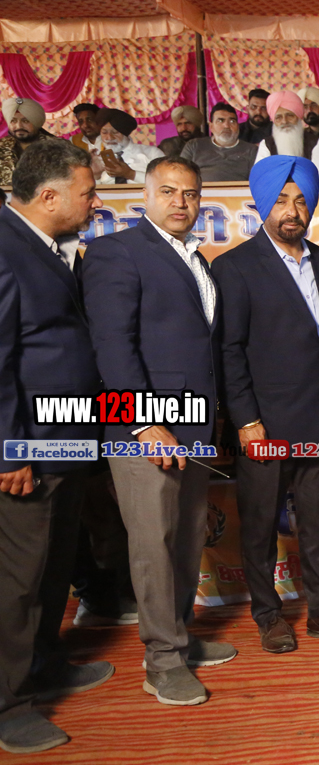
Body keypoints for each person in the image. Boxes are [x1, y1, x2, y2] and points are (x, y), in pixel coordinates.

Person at [83, 156, 235, 707]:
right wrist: (143, 422)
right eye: (168, 192)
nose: (180, 202)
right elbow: (112, 346)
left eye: (190, 194)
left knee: (187, 538)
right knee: (154, 544)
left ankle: (179, 638)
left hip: (193, 426)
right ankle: (162, 662)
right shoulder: (115, 252)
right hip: (145, 430)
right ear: (145, 197)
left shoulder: (197, 259)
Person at [213, 156, 319, 654]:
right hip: (264, 424)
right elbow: (229, 351)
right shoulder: (234, 266)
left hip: (316, 419)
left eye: (301, 201)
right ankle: (268, 616)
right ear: (263, 205)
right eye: (281, 200)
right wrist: (247, 421)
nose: (292, 211)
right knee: (260, 525)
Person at [0, 140, 111, 755]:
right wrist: (9, 451)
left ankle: (43, 665)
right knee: (17, 581)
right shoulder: (4, 248)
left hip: (65, 439)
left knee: (52, 567)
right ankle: (8, 706)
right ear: (48, 197)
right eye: (87, 193)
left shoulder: (43, 245)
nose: (95, 203)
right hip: (29, 449)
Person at [254, 91, 319, 179]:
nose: (284, 121)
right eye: (278, 117)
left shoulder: (318, 143)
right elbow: (261, 176)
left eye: (289, 115)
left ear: (298, 117)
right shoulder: (266, 144)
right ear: (274, 121)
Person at [180, 103, 257, 183]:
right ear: (211, 127)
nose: (226, 126)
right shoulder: (194, 146)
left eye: (232, 121)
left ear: (237, 126)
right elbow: (180, 176)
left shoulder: (252, 150)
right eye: (220, 121)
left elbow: (258, 182)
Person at [93, 109, 164, 185]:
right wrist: (96, 176)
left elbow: (165, 181)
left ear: (125, 134)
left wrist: (130, 174)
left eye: (115, 132)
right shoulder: (98, 159)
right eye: (104, 132)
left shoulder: (152, 153)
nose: (109, 138)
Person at [0, 99, 56, 186]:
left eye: (25, 121)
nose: (19, 126)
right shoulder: (1, 146)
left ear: (36, 123)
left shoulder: (57, 147)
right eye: (13, 121)